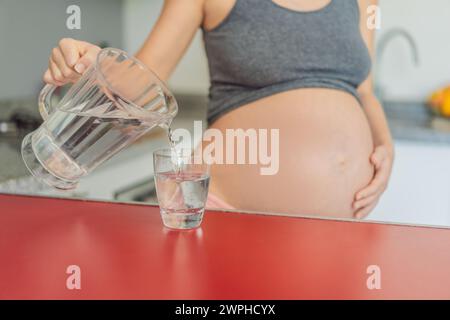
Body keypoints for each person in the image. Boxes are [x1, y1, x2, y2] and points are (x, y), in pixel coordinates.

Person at [43, 0, 394, 219]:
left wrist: (384, 145)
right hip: (229, 214)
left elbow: (364, 89)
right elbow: (140, 83)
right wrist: (91, 62)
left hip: (343, 224)